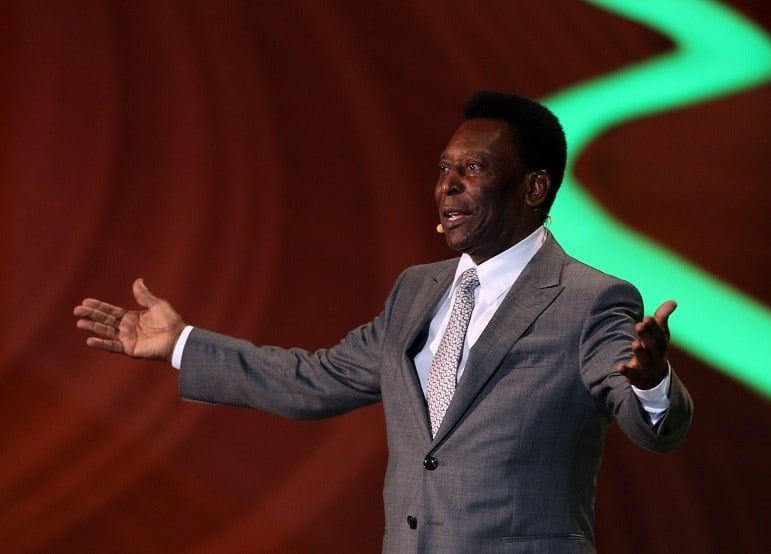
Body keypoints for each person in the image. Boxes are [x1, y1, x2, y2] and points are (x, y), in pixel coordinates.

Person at [74, 91, 692, 553]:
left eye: (473, 169)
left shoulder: (590, 299)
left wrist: (652, 385)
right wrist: (180, 345)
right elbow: (314, 379)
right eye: (443, 169)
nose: (447, 187)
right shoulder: (416, 291)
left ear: (534, 188)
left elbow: (650, 424)